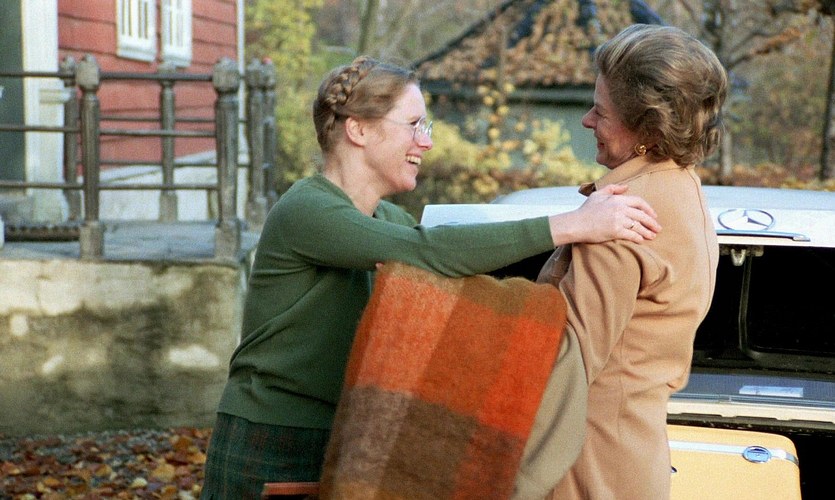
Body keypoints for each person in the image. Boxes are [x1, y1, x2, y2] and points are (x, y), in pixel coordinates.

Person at [199, 55, 661, 499]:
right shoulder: (306, 210)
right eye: (414, 124)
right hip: (272, 437)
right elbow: (430, 251)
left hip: (350, 435)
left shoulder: (388, 221)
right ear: (358, 130)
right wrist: (572, 224)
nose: (426, 142)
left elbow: (453, 267)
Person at [537, 24, 727, 500]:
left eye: (600, 112)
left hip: (583, 464)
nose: (586, 120)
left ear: (647, 129)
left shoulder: (622, 214)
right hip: (636, 457)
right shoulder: (684, 190)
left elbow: (567, 362)